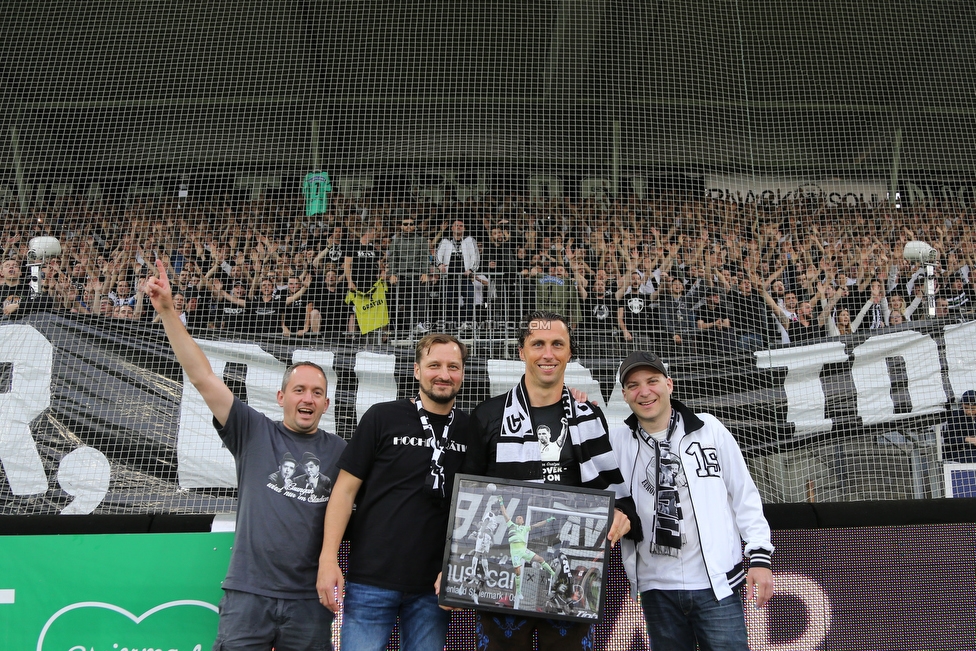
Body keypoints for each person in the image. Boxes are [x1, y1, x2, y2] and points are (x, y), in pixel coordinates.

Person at [144, 259, 345, 651]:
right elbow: (202, 376)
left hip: (309, 599)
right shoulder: (253, 431)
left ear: (326, 404)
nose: (308, 398)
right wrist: (168, 311)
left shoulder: (340, 452)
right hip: (247, 594)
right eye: (300, 389)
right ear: (281, 397)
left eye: (317, 393)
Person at [462, 310, 640, 651]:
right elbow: (469, 499)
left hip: (568, 570)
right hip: (505, 574)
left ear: (569, 353)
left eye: (558, 344)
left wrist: (620, 514)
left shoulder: (588, 416)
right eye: (538, 344)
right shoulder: (487, 416)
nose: (548, 353)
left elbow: (612, 493)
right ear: (521, 351)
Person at [609, 351, 774, 651]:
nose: (644, 391)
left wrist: (760, 557)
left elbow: (744, 494)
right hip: (658, 587)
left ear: (669, 384)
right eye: (633, 385)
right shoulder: (617, 441)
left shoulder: (709, 428)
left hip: (716, 585)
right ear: (624, 395)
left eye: (652, 381)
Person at [316, 333, 470, 651]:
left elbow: (481, 505)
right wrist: (328, 559)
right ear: (416, 370)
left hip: (433, 588)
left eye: (453, 366)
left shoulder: (472, 430)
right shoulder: (382, 417)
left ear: (463, 373)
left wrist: (458, 567)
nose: (444, 374)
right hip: (370, 580)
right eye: (434, 365)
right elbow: (344, 492)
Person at [436, 218, 479, 327]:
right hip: (449, 277)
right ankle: (451, 323)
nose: (458, 227)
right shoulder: (445, 241)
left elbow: (475, 255)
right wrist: (440, 265)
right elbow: (438, 254)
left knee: (469, 297)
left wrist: (471, 269)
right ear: (452, 228)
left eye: (461, 226)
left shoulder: (470, 240)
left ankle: (466, 322)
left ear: (464, 228)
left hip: (465, 276)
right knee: (449, 300)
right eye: (456, 225)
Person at [943, 390, 976, 463]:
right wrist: (967, 439)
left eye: (972, 409)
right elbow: (948, 439)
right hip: (960, 452)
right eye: (966, 408)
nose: (969, 411)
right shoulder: (956, 416)